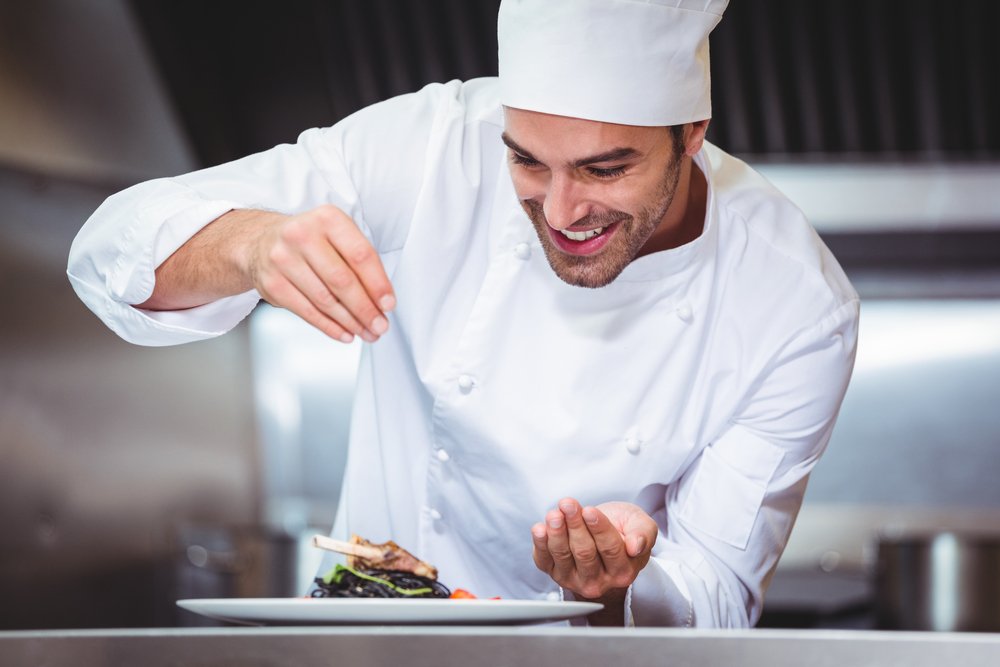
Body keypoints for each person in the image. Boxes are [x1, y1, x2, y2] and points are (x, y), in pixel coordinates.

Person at [67, 0, 859, 627]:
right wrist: (248, 244)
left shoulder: (792, 303)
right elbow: (107, 252)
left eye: (604, 167)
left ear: (692, 133)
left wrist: (623, 585)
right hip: (367, 646)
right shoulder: (431, 146)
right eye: (526, 160)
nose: (560, 209)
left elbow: (719, 597)